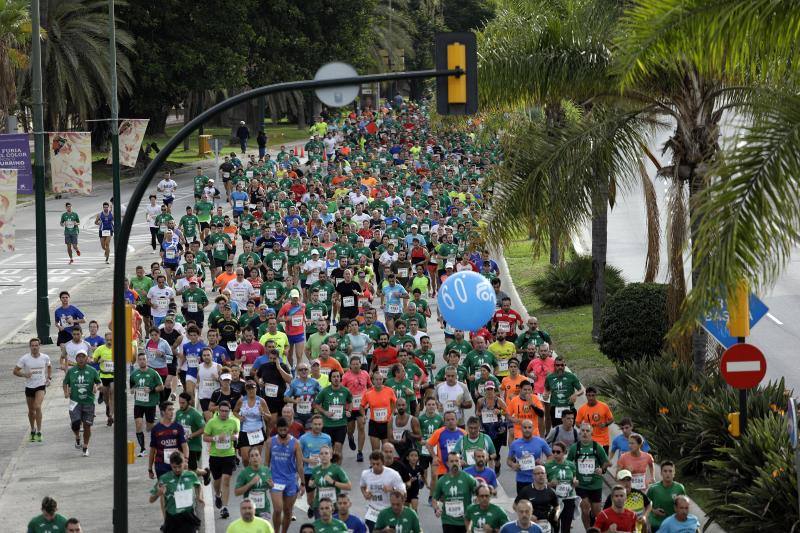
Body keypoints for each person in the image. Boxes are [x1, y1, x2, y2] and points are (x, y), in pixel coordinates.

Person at [568, 423, 611, 530]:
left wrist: (602, 469)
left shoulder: (597, 447)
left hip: (595, 483)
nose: (585, 433)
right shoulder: (574, 448)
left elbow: (606, 462)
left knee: (597, 513)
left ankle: (597, 528)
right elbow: (568, 464)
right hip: (581, 484)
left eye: (587, 431)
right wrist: (573, 476)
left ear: (591, 433)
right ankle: (588, 530)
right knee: (585, 510)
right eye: (583, 430)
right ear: (579, 432)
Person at [149, 451, 203, 533]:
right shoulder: (164, 479)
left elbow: (198, 485)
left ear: (184, 463)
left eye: (179, 466)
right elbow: (151, 500)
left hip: (188, 516)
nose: (177, 469)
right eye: (174, 467)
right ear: (170, 465)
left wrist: (199, 497)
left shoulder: (191, 475)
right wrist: (158, 494)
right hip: (172, 518)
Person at [204, 400, 241, 519]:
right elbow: (205, 437)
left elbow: (236, 434)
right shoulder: (212, 422)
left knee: (226, 480)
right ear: (218, 411)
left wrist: (235, 437)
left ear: (229, 411)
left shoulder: (233, 421)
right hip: (215, 456)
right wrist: (216, 438)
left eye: (226, 411)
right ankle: (218, 495)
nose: (224, 413)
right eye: (222, 411)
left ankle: (225, 507)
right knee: (217, 481)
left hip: (229, 455)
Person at [62, 350, 101, 456]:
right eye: (78, 357)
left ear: (87, 358)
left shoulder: (92, 370)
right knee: (75, 423)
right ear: (76, 359)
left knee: (87, 426)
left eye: (83, 356)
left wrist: (96, 387)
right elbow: (65, 383)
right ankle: (77, 437)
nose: (80, 359)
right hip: (75, 402)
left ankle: (85, 447)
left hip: (88, 402)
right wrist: (66, 392)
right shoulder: (71, 371)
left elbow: (99, 383)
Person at [14, 338, 51, 442]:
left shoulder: (45, 357)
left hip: (40, 386)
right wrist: (24, 374)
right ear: (30, 347)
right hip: (29, 387)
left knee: (37, 406)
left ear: (39, 346)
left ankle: (39, 431)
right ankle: (32, 429)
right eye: (32, 345)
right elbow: (15, 371)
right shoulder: (24, 359)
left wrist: (49, 378)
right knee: (31, 411)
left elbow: (49, 366)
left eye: (36, 345)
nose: (34, 347)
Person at [359, 451, 405, 532]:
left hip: (388, 510)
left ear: (383, 463)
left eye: (378, 464)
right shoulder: (365, 474)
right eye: (373, 464)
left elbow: (403, 492)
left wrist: (392, 489)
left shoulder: (393, 474)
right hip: (372, 510)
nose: (375, 466)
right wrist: (365, 494)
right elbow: (362, 486)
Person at [131, 352, 165, 457]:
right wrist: (132, 389)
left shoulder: (153, 373)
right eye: (140, 359)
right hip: (138, 403)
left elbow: (161, 387)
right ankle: (142, 449)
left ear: (147, 360)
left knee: (149, 428)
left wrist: (151, 389)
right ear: (137, 361)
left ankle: (157, 439)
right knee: (138, 424)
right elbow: (131, 385)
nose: (142, 361)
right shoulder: (134, 374)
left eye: (144, 359)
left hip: (150, 404)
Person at [314, 369, 353, 456]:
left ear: (340, 378)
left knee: (338, 449)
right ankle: (329, 466)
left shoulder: (345, 391)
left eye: (338, 376)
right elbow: (315, 404)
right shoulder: (324, 391)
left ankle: (337, 468)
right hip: (327, 425)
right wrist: (325, 412)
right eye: (334, 377)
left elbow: (350, 402)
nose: (336, 379)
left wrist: (349, 411)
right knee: (329, 450)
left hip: (341, 424)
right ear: (330, 379)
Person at [233, 379, 271, 468]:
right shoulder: (242, 400)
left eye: (252, 388)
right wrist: (239, 417)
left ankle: (256, 477)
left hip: (257, 432)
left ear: (256, 389)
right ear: (246, 390)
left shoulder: (261, 401)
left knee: (256, 459)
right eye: (248, 389)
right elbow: (234, 411)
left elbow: (269, 417)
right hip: (245, 431)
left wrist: (263, 413)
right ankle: (248, 474)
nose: (251, 391)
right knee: (245, 459)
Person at [508, 419, 552, 493]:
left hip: (538, 479)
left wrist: (543, 463)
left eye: (529, 427)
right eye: (525, 427)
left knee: (538, 504)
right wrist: (513, 465)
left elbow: (551, 457)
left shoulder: (541, 442)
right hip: (521, 480)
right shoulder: (515, 444)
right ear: (521, 429)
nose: (527, 430)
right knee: (522, 503)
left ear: (533, 428)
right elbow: (509, 460)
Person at [149, 401, 190, 480]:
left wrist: (185, 460)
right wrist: (150, 468)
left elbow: (184, 445)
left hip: (176, 464)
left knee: (176, 488)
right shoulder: (155, 429)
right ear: (163, 412)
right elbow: (152, 450)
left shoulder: (178, 427)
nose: (172, 412)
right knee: (163, 489)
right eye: (169, 410)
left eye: (173, 410)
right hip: (161, 465)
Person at [176, 392, 211, 484]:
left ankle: (205, 472)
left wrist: (191, 435)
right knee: (182, 468)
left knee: (192, 470)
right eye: (180, 402)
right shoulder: (178, 413)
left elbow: (204, 428)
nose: (181, 405)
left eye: (183, 403)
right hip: (181, 446)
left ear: (189, 402)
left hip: (193, 446)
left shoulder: (195, 414)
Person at [544, 440, 579, 533]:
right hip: (554, 500)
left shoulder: (571, 465)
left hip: (569, 498)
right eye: (553, 451)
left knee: (566, 528)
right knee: (554, 527)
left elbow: (574, 476)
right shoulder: (547, 466)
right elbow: (542, 483)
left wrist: (575, 481)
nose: (555, 454)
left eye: (558, 452)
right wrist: (550, 484)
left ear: (564, 453)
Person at [362, 370, 398, 453]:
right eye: (376, 379)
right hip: (374, 424)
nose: (378, 381)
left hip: (387, 424)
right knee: (376, 451)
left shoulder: (389, 391)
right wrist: (363, 415)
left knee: (386, 450)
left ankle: (385, 465)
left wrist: (392, 414)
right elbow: (362, 406)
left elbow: (395, 402)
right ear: (373, 380)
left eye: (380, 379)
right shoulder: (368, 392)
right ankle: (376, 465)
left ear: (383, 380)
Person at [309, 445, 351, 515]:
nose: (324, 456)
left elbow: (349, 486)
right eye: (321, 454)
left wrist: (333, 482)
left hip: (333, 506)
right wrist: (312, 485)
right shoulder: (315, 470)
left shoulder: (337, 469)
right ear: (319, 456)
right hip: (319, 505)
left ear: (331, 456)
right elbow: (312, 483)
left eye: (326, 453)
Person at [234, 448, 274, 523]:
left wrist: (271, 485)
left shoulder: (266, 470)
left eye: (256, 455)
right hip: (249, 510)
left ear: (260, 457)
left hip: (264, 509)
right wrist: (250, 483)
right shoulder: (244, 473)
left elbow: (270, 487)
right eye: (252, 456)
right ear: (249, 459)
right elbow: (237, 492)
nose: (254, 457)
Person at [514, 465, 558, 533]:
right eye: (537, 473)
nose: (540, 475)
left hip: (547, 523)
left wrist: (557, 514)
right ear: (533, 476)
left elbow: (557, 506)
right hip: (531, 523)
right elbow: (515, 506)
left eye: (542, 473)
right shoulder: (526, 490)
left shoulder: (551, 491)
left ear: (545, 475)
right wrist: (528, 516)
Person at [544, 356, 584, 427]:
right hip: (555, 408)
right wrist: (546, 394)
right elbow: (546, 389)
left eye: (562, 365)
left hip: (569, 408)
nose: (560, 367)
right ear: (554, 365)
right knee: (557, 431)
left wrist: (576, 394)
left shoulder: (571, 376)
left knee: (569, 431)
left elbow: (581, 390)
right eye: (558, 365)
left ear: (565, 365)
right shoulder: (549, 377)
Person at [646, 461, 687, 532]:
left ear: (674, 473)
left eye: (670, 471)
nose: (668, 473)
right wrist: (654, 511)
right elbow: (646, 505)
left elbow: (684, 507)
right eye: (665, 471)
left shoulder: (680, 488)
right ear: (661, 473)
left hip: (674, 524)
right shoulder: (653, 488)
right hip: (657, 525)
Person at [576, 386, 614, 454]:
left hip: (603, 440)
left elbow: (611, 419)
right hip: (589, 440)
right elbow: (577, 423)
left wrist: (605, 424)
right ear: (586, 396)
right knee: (591, 460)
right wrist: (584, 428)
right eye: (589, 395)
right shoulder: (582, 409)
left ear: (596, 395)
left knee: (603, 462)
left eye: (593, 395)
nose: (591, 398)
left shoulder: (604, 406)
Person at [92, 332, 115, 425]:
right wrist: (99, 360)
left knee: (112, 392)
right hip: (103, 376)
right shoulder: (100, 349)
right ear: (105, 340)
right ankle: (107, 406)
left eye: (111, 340)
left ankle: (110, 416)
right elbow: (93, 360)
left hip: (113, 376)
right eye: (107, 340)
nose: (109, 341)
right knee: (106, 396)